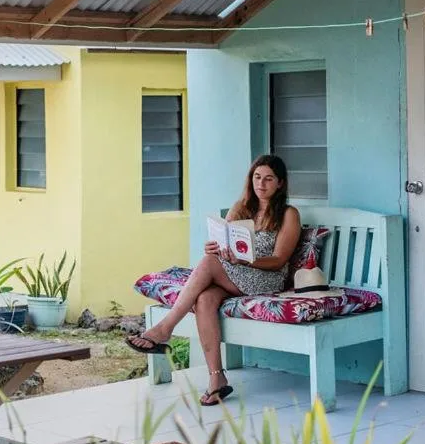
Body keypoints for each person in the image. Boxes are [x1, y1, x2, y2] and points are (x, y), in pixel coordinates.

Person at [126, 154, 301, 406]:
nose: (261, 184)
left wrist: (244, 261)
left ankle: (164, 329)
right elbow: (226, 244)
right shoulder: (241, 207)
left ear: (280, 183)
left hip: (266, 278)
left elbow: (279, 260)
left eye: (269, 179)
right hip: (235, 273)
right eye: (257, 177)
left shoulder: (288, 214)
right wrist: (216, 248)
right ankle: (216, 379)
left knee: (208, 264)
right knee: (205, 298)